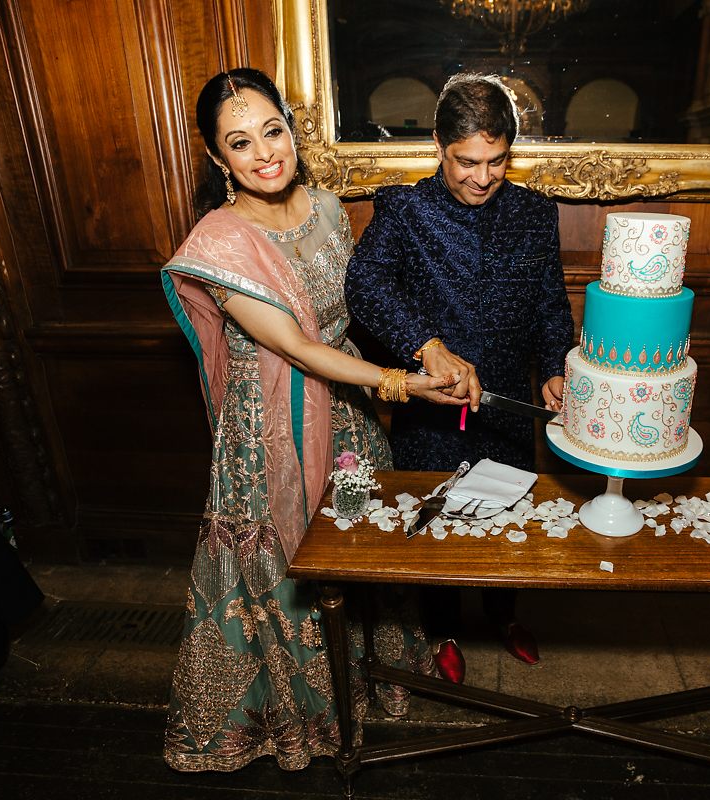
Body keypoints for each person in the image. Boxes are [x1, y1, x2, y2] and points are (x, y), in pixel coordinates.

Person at [160, 68, 465, 772]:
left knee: (358, 549)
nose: (265, 153)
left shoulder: (328, 207)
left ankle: (369, 681)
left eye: (273, 131)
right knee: (292, 562)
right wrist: (406, 384)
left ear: (291, 129)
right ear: (216, 157)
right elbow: (296, 346)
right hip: (273, 430)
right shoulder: (218, 243)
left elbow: (356, 309)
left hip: (350, 416)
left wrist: (428, 352)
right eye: (240, 142)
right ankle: (305, 718)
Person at [345, 73, 574, 683]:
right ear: (440, 149)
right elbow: (364, 286)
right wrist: (426, 348)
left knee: (507, 519)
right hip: (431, 408)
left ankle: (504, 616)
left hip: (505, 403)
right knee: (438, 525)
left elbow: (551, 303)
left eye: (496, 162)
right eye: (466, 162)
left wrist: (555, 367)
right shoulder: (406, 210)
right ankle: (442, 629)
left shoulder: (532, 213)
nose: (482, 177)